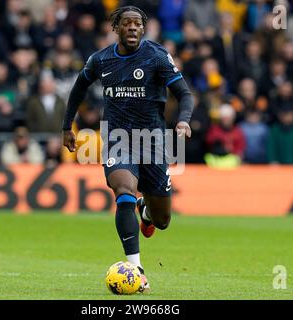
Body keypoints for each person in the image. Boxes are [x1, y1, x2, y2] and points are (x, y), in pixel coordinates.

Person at [62, 6, 194, 292]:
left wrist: (183, 121)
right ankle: (136, 268)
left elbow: (184, 93)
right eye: (127, 23)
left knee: (162, 220)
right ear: (116, 28)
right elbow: (79, 88)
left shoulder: (156, 56)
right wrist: (66, 126)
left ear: (143, 29)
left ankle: (145, 211)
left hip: (153, 141)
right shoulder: (101, 59)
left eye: (137, 24)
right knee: (123, 191)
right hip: (117, 138)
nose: (133, 27)